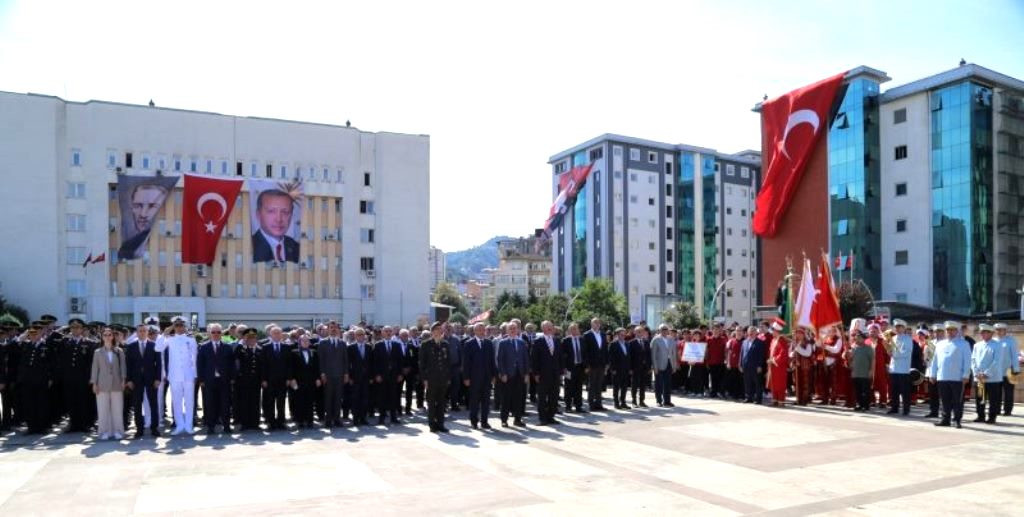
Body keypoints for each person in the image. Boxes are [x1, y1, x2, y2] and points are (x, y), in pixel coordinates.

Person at [156, 318, 198, 435]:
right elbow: (158, 348)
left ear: (185, 327)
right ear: (174, 327)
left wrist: (195, 374)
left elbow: (194, 358)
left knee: (189, 401)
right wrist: (165, 332)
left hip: (188, 375)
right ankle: (179, 425)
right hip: (174, 375)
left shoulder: (191, 339)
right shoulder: (169, 339)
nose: (179, 328)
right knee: (176, 401)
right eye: (177, 325)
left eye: (181, 325)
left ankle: (188, 425)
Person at [927, 321, 972, 428]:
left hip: (957, 377)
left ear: (957, 331)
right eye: (948, 330)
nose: (950, 332)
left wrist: (966, 375)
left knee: (957, 400)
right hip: (942, 376)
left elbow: (967, 361)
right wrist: (932, 374)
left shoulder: (964, 344)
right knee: (944, 399)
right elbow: (935, 360)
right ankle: (945, 419)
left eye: (952, 330)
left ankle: (957, 419)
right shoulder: (940, 344)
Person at [124, 323, 162, 438]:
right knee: (137, 405)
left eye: (144, 331)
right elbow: (128, 365)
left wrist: (157, 379)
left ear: (147, 332)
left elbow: (158, 365)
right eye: (140, 331)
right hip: (136, 380)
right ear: (137, 332)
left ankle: (154, 428)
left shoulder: (154, 345)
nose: (142, 333)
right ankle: (139, 429)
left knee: (153, 404)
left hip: (151, 380)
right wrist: (129, 380)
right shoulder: (131, 346)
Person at [197, 323, 236, 434]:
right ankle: (210, 426)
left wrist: (232, 378)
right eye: (213, 332)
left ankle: (226, 426)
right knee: (210, 404)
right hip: (209, 381)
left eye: (218, 332)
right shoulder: (204, 347)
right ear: (209, 333)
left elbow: (232, 364)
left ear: (221, 333)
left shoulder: (227, 347)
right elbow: (200, 364)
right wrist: (201, 380)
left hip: (224, 380)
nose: (216, 334)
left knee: (225, 404)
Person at [90, 326, 127, 440]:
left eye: (109, 334)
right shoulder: (97, 352)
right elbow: (95, 369)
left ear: (113, 336)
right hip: (102, 384)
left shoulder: (119, 351)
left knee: (117, 409)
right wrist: (94, 383)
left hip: (117, 383)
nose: (107, 337)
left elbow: (123, 367)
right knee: (103, 409)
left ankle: (118, 431)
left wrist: (123, 380)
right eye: (105, 335)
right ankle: (104, 432)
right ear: (102, 337)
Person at [18, 323, 54, 434]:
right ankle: (31, 426)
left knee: (41, 403)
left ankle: (42, 427)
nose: (33, 335)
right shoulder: (25, 345)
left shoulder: (46, 346)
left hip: (41, 379)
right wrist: (23, 336)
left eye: (36, 333)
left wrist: (50, 378)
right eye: (31, 333)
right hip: (28, 380)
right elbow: (12, 348)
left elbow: (51, 363)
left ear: (41, 333)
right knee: (29, 403)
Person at [119, 182, 169, 260]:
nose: (143, 214)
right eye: (138, 206)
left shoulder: (164, 243)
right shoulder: (127, 246)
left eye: (152, 206)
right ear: (132, 208)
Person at [462, 322, 496, 429]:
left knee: (486, 401)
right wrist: (466, 377)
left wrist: (494, 375)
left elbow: (492, 361)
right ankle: (474, 421)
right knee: (474, 401)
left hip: (486, 377)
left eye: (483, 329)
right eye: (480, 330)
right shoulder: (469, 343)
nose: (482, 332)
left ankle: (484, 421)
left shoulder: (489, 343)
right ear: (475, 331)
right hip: (474, 378)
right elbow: (466, 362)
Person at [251, 189, 300, 263]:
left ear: (291, 215)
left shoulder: (297, 248)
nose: (279, 219)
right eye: (271, 211)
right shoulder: (250, 245)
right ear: (258, 214)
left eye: (285, 212)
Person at [419, 322, 451, 433]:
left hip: (442, 379)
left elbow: (448, 362)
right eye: (437, 329)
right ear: (432, 331)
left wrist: (448, 378)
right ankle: (432, 424)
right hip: (431, 379)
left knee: (442, 403)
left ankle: (441, 424)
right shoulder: (426, 344)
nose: (439, 331)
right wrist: (425, 379)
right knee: (432, 403)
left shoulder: (445, 344)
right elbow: (422, 364)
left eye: (440, 329)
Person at [497, 321, 530, 427]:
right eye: (510, 328)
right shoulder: (503, 342)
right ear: (507, 330)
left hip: (519, 375)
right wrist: (503, 373)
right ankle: (504, 419)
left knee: (518, 398)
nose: (512, 330)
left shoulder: (522, 343)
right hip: (508, 375)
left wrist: (526, 374)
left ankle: (517, 419)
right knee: (506, 398)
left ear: (518, 330)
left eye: (514, 328)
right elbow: (500, 360)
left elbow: (526, 359)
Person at [318, 321, 349, 428]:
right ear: (328, 329)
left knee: (338, 398)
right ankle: (328, 419)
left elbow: (346, 360)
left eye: (335, 327)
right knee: (328, 398)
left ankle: (337, 418)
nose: (334, 329)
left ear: (338, 329)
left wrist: (346, 374)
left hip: (340, 375)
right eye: (331, 327)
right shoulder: (323, 343)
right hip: (328, 375)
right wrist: (322, 374)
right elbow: (321, 360)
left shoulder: (342, 343)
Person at [971, 324, 1003, 424]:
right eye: (981, 332)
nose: (982, 334)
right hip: (979, 377)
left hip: (992, 378)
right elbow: (973, 360)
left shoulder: (997, 345)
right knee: (980, 397)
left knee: (993, 399)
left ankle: (992, 417)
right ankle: (981, 416)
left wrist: (986, 373)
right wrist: (976, 372)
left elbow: (996, 361)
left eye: (985, 332)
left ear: (991, 333)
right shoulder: (977, 345)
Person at [372, 326, 404, 425]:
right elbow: (374, 362)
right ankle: (381, 417)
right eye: (386, 331)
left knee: (393, 397)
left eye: (390, 331)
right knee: (382, 397)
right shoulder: (378, 345)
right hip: (382, 376)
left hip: (394, 376)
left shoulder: (397, 345)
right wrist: (376, 375)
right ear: (382, 333)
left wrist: (400, 374)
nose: (388, 333)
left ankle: (393, 417)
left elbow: (400, 361)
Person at [261, 326, 291, 430]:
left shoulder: (286, 347)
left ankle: (281, 422)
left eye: (279, 333)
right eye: (275, 333)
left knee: (281, 402)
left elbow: (289, 365)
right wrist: (263, 379)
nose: (277, 335)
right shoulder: (265, 347)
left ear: (281, 334)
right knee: (270, 402)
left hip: (283, 380)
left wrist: (288, 378)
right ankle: (271, 422)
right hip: (269, 380)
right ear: (270, 335)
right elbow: (263, 365)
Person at [531, 321, 562, 425]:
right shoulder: (538, 341)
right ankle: (542, 418)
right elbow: (534, 359)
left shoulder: (557, 340)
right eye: (546, 327)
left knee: (554, 396)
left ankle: (551, 416)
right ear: (542, 329)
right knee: (542, 397)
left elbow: (560, 358)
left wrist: (561, 371)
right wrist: (536, 374)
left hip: (555, 374)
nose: (549, 328)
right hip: (543, 374)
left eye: (550, 327)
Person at [234, 328, 263, 431]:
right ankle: (244, 423)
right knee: (244, 402)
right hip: (243, 381)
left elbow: (262, 367)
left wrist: (263, 379)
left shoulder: (260, 349)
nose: (252, 340)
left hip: (256, 381)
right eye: (249, 338)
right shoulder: (240, 349)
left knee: (255, 402)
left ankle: (255, 423)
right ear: (245, 338)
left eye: (254, 338)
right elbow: (236, 364)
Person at [289, 335, 320, 428]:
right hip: (298, 381)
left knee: (310, 401)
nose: (306, 342)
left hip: (311, 381)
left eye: (307, 341)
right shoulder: (294, 352)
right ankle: (300, 421)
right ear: (300, 342)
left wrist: (317, 378)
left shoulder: (313, 352)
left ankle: (310, 420)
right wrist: (292, 379)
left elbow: (316, 367)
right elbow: (291, 367)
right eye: (303, 341)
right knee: (299, 401)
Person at [886, 320, 914, 415]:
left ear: (904, 328)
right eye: (896, 327)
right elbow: (890, 351)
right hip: (894, 368)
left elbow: (907, 352)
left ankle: (906, 409)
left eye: (900, 327)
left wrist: (894, 354)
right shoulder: (893, 338)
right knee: (894, 390)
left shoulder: (908, 339)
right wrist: (889, 351)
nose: (898, 328)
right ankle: (895, 407)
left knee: (904, 391)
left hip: (903, 369)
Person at [347, 327, 373, 426]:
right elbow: (348, 364)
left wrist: (371, 377)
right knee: (355, 398)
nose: (361, 336)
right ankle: (355, 418)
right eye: (358, 334)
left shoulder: (369, 347)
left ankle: (363, 417)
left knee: (365, 398)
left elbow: (372, 363)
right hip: (355, 378)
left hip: (366, 378)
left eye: (362, 334)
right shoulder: (351, 348)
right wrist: (349, 377)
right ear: (355, 336)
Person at [993, 323, 1019, 416]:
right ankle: (996, 409)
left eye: (1001, 330)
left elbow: (1015, 356)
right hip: (996, 371)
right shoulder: (993, 341)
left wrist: (1016, 369)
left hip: (1009, 370)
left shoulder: (1010, 341)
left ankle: (1008, 410)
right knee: (996, 392)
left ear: (1005, 331)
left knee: (1008, 392)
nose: (999, 331)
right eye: (997, 330)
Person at [582, 318, 608, 411]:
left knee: (599, 384)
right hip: (591, 364)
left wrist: (606, 363)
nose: (597, 324)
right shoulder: (587, 335)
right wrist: (586, 365)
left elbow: (605, 349)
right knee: (592, 385)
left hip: (601, 364)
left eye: (598, 323)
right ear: (591, 324)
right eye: (595, 322)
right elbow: (585, 351)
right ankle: (591, 404)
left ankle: (599, 404)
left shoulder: (603, 334)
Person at [560, 323, 586, 413]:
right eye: (572, 329)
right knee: (568, 388)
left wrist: (585, 366)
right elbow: (562, 356)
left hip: (580, 367)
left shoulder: (582, 340)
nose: (575, 331)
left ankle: (579, 406)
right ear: (570, 331)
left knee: (579, 387)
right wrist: (564, 368)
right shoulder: (565, 340)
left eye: (576, 329)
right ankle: (568, 406)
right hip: (569, 368)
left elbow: (585, 354)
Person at [651, 324, 679, 407]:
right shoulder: (655, 340)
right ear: (659, 330)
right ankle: (658, 401)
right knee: (659, 383)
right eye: (663, 329)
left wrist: (674, 365)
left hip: (669, 363)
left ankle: (667, 401)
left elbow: (673, 353)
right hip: (659, 365)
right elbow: (653, 355)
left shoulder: (671, 339)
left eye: (666, 329)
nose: (664, 331)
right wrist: (655, 367)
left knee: (668, 383)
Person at [849, 327, 875, 412]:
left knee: (865, 391)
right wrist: (846, 354)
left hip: (865, 373)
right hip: (856, 373)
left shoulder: (868, 348)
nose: (857, 339)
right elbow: (850, 358)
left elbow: (873, 360)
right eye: (856, 337)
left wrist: (871, 370)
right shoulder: (853, 348)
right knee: (858, 390)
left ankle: (866, 405)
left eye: (859, 337)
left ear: (863, 339)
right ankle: (859, 404)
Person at [739, 326, 766, 404]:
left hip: (755, 367)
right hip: (746, 366)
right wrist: (740, 364)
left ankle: (758, 399)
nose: (750, 333)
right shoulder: (744, 342)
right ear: (747, 333)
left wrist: (760, 365)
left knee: (757, 383)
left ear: (755, 333)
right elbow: (741, 354)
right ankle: (748, 397)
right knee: (747, 383)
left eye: (752, 331)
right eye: (749, 332)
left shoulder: (760, 342)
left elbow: (761, 355)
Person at [766, 319, 788, 407]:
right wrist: (769, 359)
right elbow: (771, 352)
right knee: (773, 383)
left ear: (776, 331)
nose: (772, 333)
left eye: (773, 331)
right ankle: (774, 400)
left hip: (779, 366)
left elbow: (783, 353)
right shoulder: (773, 340)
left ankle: (781, 401)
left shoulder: (782, 340)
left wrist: (774, 360)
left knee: (780, 384)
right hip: (773, 366)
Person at [629, 325, 652, 407]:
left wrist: (649, 367)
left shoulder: (646, 342)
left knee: (643, 385)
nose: (640, 333)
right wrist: (630, 368)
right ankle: (634, 401)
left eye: (641, 331)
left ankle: (642, 401)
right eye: (638, 331)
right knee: (634, 384)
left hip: (644, 367)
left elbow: (649, 355)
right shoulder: (631, 343)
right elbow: (630, 357)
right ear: (635, 332)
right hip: (635, 367)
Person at [609, 328, 631, 409]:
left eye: (624, 334)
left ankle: (623, 402)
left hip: (625, 369)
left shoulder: (627, 344)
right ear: (617, 335)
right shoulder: (613, 344)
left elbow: (629, 357)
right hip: (617, 369)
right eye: (621, 334)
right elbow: (611, 358)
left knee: (624, 387)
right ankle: (616, 403)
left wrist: (629, 368)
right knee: (616, 387)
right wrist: (612, 369)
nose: (623, 336)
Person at [401, 328, 422, 414]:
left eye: (406, 335)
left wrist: (410, 368)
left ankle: (408, 409)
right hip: (400, 372)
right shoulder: (396, 345)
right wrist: (402, 368)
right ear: (400, 336)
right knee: (398, 391)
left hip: (410, 372)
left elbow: (414, 359)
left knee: (409, 391)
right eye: (403, 335)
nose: (405, 337)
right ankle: (398, 409)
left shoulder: (411, 346)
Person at [791, 328, 814, 406]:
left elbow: (807, 353)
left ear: (803, 334)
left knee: (805, 383)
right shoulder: (794, 342)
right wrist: (792, 354)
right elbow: (790, 352)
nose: (798, 335)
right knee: (797, 383)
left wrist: (798, 348)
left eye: (800, 333)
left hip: (805, 366)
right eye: (797, 333)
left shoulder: (808, 343)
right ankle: (798, 399)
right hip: (796, 365)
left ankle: (805, 399)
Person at [706, 325, 727, 398]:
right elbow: (706, 351)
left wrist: (726, 359)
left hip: (721, 362)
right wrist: (707, 361)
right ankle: (713, 392)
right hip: (711, 362)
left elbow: (725, 350)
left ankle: (720, 392)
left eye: (717, 330)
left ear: (719, 331)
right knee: (712, 378)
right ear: (712, 330)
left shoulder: (723, 339)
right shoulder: (709, 339)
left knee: (720, 378)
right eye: (714, 329)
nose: (716, 331)